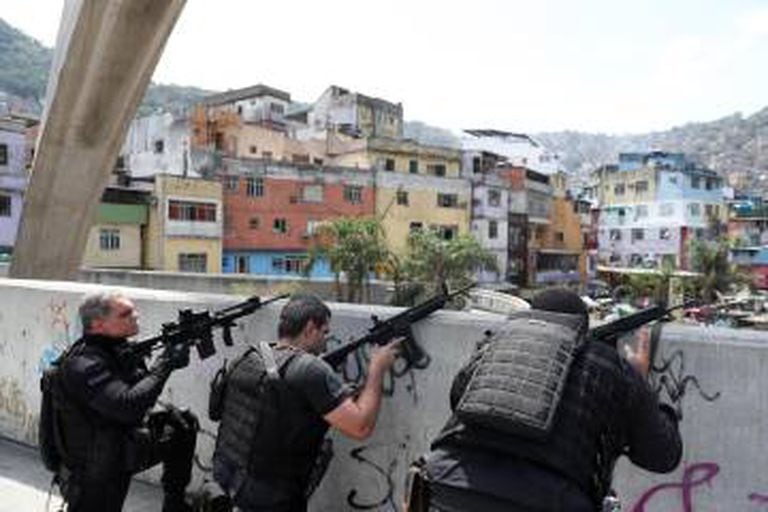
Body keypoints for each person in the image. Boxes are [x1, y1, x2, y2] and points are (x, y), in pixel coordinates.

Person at [420, 288, 683, 512]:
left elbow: (457, 400)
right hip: (550, 500)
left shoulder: (492, 345)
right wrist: (642, 384)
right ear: (581, 326)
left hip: (445, 484)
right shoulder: (611, 366)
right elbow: (662, 455)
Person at [213, 293, 401, 512]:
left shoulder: (249, 357)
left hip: (229, 480)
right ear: (310, 327)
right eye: (324, 332)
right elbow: (360, 427)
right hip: (271, 498)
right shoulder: (309, 370)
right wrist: (377, 369)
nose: (326, 341)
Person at [54, 292, 197, 512]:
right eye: (125, 314)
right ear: (98, 324)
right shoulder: (82, 364)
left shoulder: (117, 351)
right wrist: (166, 362)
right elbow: (127, 407)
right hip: (93, 470)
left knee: (182, 425)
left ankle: (175, 505)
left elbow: (140, 396)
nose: (135, 316)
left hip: (120, 448)